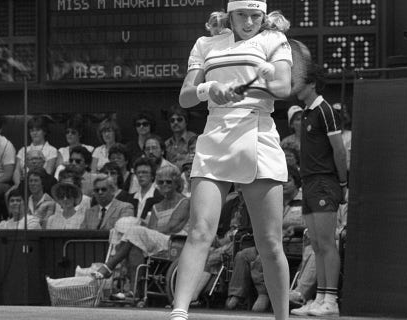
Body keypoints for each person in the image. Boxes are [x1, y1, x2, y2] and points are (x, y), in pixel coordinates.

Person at [172, 1, 293, 319]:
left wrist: (259, 85)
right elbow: (186, 96)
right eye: (243, 15)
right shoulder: (205, 44)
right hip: (215, 137)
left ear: (264, 16)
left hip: (258, 135)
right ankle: (179, 313)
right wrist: (210, 88)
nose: (250, 21)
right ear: (230, 14)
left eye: (256, 16)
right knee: (199, 232)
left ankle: (283, 317)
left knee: (269, 242)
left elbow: (283, 86)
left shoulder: (273, 40)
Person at [295, 63, 348, 316]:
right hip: (309, 183)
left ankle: (331, 301)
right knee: (316, 244)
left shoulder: (325, 110)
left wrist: (343, 183)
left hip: (325, 183)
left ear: (312, 83)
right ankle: (319, 299)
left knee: (327, 243)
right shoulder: (306, 112)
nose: (294, 84)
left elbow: (339, 150)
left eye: (298, 80)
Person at [93, 166, 190, 298]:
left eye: (168, 182)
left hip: (176, 243)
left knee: (135, 231)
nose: (164, 185)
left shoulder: (185, 202)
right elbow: (151, 231)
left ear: (176, 183)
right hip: (157, 242)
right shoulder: (156, 206)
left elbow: (171, 228)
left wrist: (146, 231)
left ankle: (110, 265)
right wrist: (146, 231)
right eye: (161, 182)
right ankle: (134, 291)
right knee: (135, 245)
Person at [225, 165, 304, 312]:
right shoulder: (274, 201)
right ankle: (236, 295)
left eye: (289, 180)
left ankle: (264, 294)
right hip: (269, 242)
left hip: (294, 245)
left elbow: (307, 226)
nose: (285, 183)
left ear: (297, 183)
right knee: (243, 255)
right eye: (283, 180)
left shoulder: (302, 203)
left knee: (264, 257)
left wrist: (296, 230)